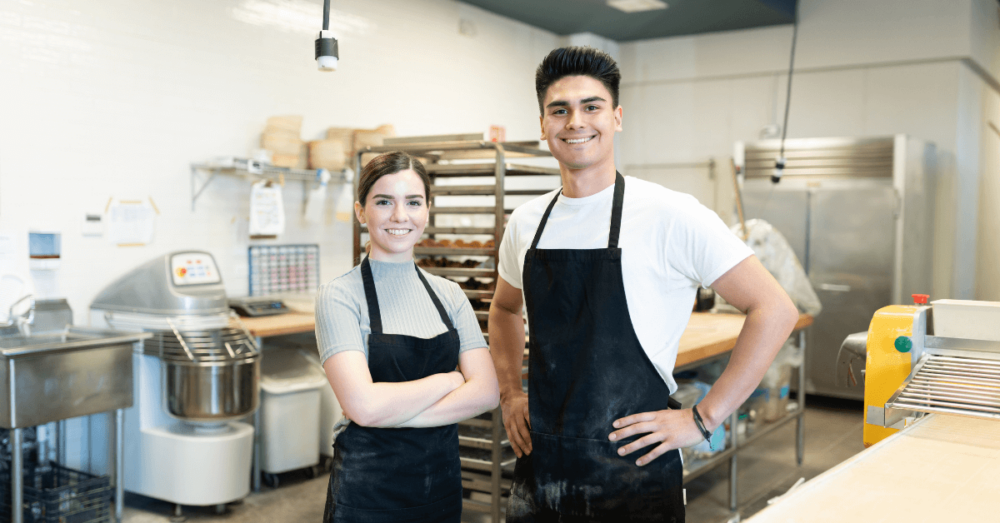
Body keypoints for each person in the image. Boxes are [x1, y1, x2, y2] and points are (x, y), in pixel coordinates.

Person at [490, 47, 800, 521]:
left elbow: (775, 309)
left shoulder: (669, 214)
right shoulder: (528, 222)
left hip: (634, 472)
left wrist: (704, 418)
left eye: (591, 106)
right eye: (560, 109)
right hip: (543, 472)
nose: (575, 121)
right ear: (542, 124)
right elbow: (505, 309)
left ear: (616, 117)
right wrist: (511, 392)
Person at [316, 151, 500, 522]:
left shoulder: (449, 295)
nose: (400, 216)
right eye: (384, 202)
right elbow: (363, 407)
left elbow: (487, 392)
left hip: (441, 489)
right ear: (360, 211)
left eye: (413, 202)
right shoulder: (339, 296)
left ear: (427, 210)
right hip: (368, 495)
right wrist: (449, 380)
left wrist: (388, 412)